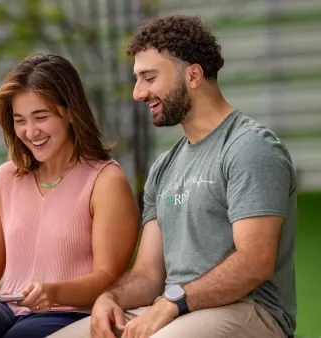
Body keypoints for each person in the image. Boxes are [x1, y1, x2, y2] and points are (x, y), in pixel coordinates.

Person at [49, 14, 297, 338]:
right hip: (176, 308)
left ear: (193, 75)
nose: (138, 93)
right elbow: (148, 274)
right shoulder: (164, 167)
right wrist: (110, 298)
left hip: (250, 311)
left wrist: (172, 303)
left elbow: (254, 262)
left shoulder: (249, 148)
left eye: (149, 78)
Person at [0, 53, 140, 338]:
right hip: (6, 307)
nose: (31, 132)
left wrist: (54, 292)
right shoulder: (5, 178)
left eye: (40, 117)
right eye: (20, 121)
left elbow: (108, 277)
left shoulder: (105, 180)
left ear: (70, 111)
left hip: (67, 311)